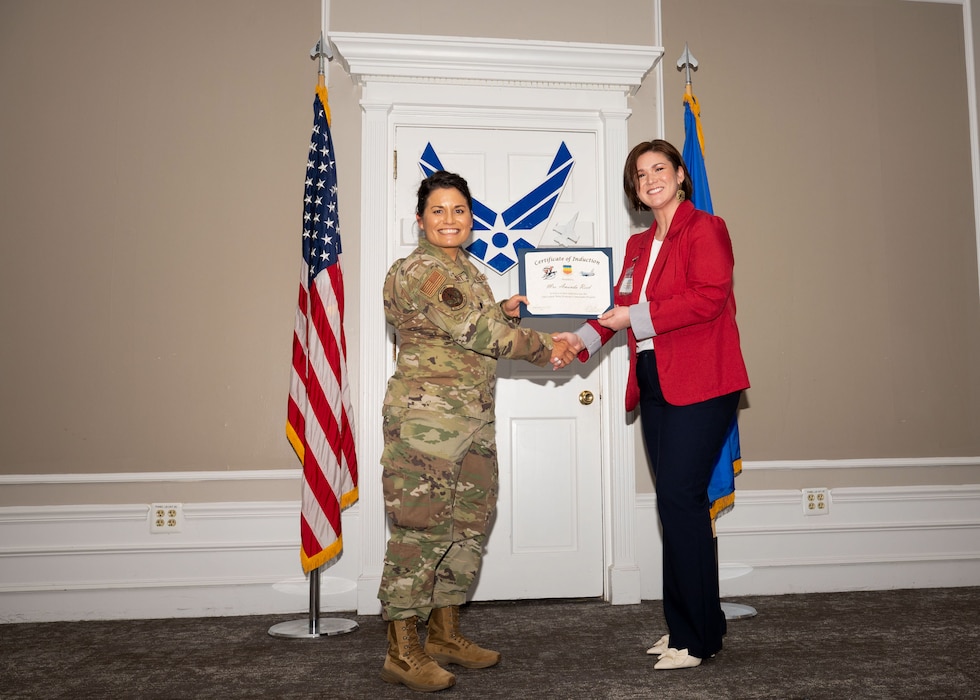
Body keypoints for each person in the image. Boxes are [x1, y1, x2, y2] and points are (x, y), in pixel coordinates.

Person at [554, 139, 749, 670]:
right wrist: (579, 340)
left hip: (704, 381)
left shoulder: (706, 229)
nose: (650, 179)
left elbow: (708, 297)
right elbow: (618, 309)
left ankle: (697, 640)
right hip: (654, 377)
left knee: (680, 500)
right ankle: (689, 626)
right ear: (635, 188)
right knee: (675, 505)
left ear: (681, 175)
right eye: (640, 175)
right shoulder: (638, 246)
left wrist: (630, 319)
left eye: (659, 169)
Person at [378, 170, 573, 693]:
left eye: (460, 210)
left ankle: (444, 634)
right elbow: (481, 333)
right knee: (419, 534)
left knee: (467, 526)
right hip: (428, 428)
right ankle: (402, 650)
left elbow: (479, 320)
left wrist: (504, 308)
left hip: (472, 421)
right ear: (420, 220)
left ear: (471, 220)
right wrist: (543, 343)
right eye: (438, 210)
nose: (450, 219)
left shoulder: (465, 270)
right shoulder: (420, 269)